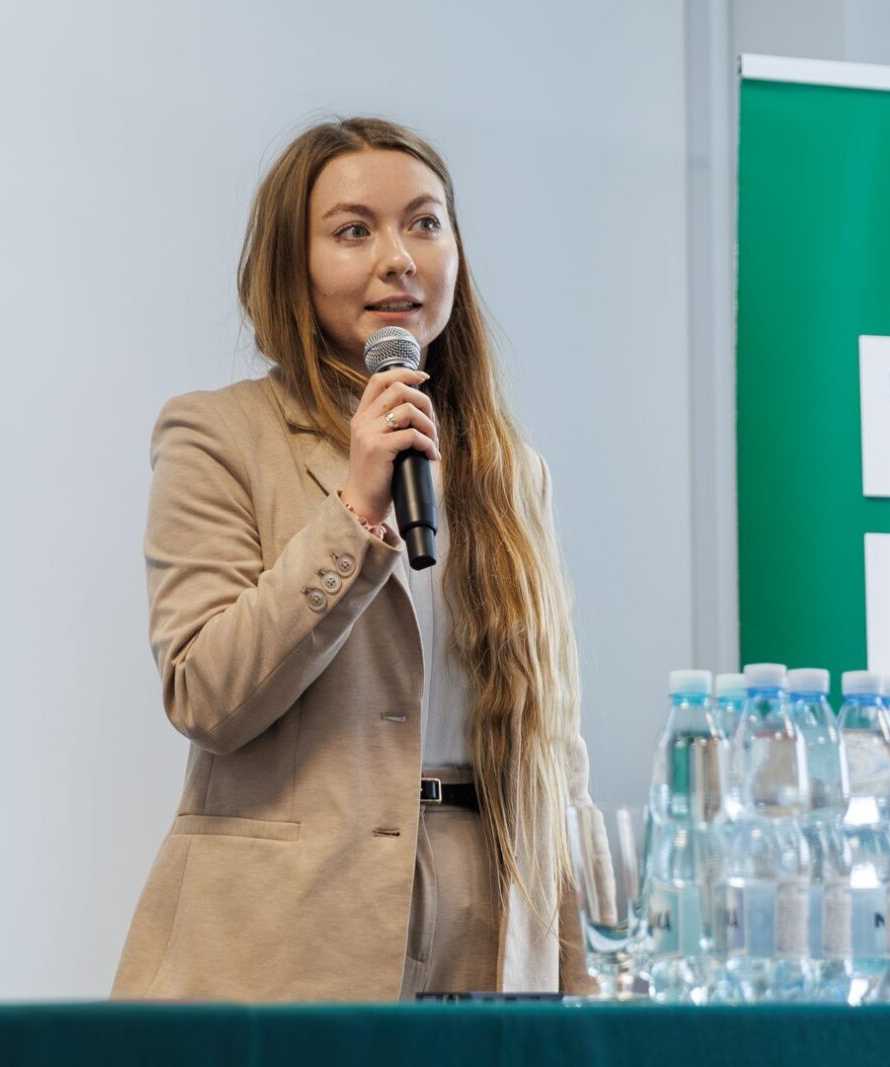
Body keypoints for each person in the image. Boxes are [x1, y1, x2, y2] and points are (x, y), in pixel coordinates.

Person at [110, 117, 594, 1000]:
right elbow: (205, 691)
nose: (398, 258)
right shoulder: (218, 434)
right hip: (282, 932)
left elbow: (554, 747)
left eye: (424, 223)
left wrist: (584, 977)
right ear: (291, 266)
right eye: (353, 230)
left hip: (491, 929)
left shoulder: (513, 472)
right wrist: (355, 510)